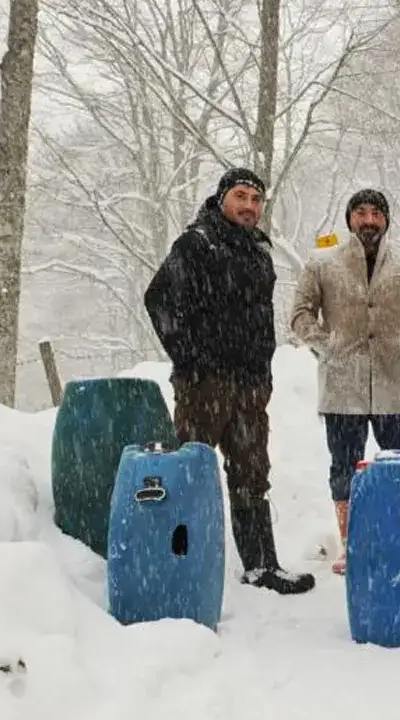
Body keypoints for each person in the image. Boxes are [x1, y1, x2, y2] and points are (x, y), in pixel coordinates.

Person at [144, 167, 315, 595]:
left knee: (252, 474)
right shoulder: (197, 243)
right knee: (192, 471)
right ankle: (179, 565)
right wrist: (189, 358)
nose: (250, 206)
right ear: (222, 198)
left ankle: (261, 567)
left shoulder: (258, 251)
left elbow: (258, 319)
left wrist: (263, 371)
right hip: (204, 385)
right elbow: (158, 298)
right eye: (241, 196)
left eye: (256, 200)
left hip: (249, 387)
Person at [290, 188, 400, 575]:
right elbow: (300, 315)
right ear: (349, 219)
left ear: (386, 220)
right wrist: (328, 347)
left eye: (376, 213)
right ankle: (351, 545)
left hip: (395, 388)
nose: (369, 220)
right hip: (342, 390)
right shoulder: (322, 263)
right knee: (345, 469)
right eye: (360, 213)